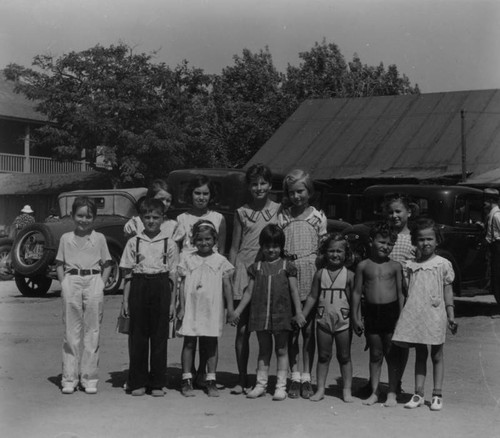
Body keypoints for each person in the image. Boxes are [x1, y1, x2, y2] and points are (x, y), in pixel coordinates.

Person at [230, 224, 305, 401]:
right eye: (267, 246)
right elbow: (248, 292)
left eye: (275, 246)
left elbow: (295, 291)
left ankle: (281, 387)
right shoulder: (256, 267)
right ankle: (261, 385)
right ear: (261, 246)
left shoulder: (288, 266)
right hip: (261, 314)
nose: (271, 250)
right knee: (264, 350)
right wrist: (237, 311)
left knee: (281, 349)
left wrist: (299, 312)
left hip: (282, 314)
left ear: (281, 247)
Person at [392, 218, 456, 411]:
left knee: (436, 354)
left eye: (430, 239)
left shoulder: (442, 264)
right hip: (416, 314)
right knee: (420, 354)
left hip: (436, 314)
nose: (425, 243)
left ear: (437, 240)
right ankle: (419, 393)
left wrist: (451, 314)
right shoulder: (410, 265)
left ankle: (437, 394)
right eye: (421, 239)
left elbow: (447, 290)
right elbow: (406, 292)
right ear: (414, 241)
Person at [228, 163, 280, 394]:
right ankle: (241, 377)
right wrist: (230, 274)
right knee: (242, 329)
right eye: (254, 184)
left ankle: (264, 378)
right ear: (249, 186)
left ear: (270, 185)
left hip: (267, 269)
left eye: (263, 183)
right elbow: (234, 246)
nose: (259, 188)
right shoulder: (241, 212)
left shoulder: (279, 210)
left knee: (264, 329)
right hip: (243, 270)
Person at [119, 198, 179, 397]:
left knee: (159, 336)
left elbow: (173, 276)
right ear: (141, 219)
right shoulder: (133, 242)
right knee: (138, 337)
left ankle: (157, 382)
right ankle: (137, 381)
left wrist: (172, 303)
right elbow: (127, 274)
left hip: (161, 286)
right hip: (139, 286)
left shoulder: (169, 243)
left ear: (162, 218)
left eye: (155, 217)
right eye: (147, 217)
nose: (151, 221)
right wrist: (125, 301)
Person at [173, 174, 227, 387]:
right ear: (190, 194)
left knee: (208, 330)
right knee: (190, 328)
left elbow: (220, 251)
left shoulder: (219, 218)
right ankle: (189, 374)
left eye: (205, 193)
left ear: (211, 195)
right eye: (197, 193)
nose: (201, 197)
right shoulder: (182, 219)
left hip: (210, 276)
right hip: (188, 274)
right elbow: (174, 248)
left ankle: (205, 373)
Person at [278, 169, 327, 399]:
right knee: (291, 330)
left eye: (301, 191)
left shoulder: (317, 217)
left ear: (309, 191)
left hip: (311, 272)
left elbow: (324, 249)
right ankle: (294, 376)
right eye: (292, 192)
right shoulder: (283, 216)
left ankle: (307, 376)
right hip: (289, 274)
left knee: (308, 329)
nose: (297, 196)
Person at [55, 197, 112, 394]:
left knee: (92, 330)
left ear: (94, 218)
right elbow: (59, 264)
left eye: (88, 216)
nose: (84, 220)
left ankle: (89, 377)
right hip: (72, 281)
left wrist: (101, 284)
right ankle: (69, 377)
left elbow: (107, 264)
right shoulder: (65, 238)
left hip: (94, 280)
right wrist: (64, 283)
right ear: (72, 216)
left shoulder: (99, 238)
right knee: (71, 332)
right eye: (80, 215)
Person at [177, 220, 235, 397]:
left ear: (215, 239)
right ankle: (186, 380)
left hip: (212, 308)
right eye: (200, 239)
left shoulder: (220, 261)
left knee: (211, 344)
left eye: (208, 239)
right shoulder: (187, 259)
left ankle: (210, 380)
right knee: (189, 342)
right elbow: (182, 285)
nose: (204, 243)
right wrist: (181, 307)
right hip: (192, 308)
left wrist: (231, 310)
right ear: (193, 240)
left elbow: (227, 286)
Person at [351, 222, 404, 407]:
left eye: (390, 244)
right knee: (375, 354)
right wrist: (356, 317)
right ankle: (374, 391)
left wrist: (401, 318)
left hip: (391, 313)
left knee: (391, 354)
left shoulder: (396, 266)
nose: (386, 247)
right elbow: (357, 293)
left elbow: (400, 293)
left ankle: (391, 392)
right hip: (372, 313)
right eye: (382, 242)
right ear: (372, 241)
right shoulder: (363, 266)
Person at [301, 233, 355, 402]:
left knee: (344, 356)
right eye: (331, 251)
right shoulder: (320, 274)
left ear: (346, 254)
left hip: (343, 321)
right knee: (323, 356)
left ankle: (347, 390)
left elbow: (354, 301)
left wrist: (357, 319)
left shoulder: (350, 275)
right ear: (325, 253)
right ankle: (321, 389)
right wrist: (302, 315)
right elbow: (312, 297)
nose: (335, 255)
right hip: (323, 320)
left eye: (339, 251)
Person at [484, 188, 500, 301]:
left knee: (498, 276)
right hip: (494, 247)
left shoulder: (496, 215)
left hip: (498, 246)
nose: (483, 204)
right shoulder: (492, 214)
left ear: (490, 200)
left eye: (485, 201)